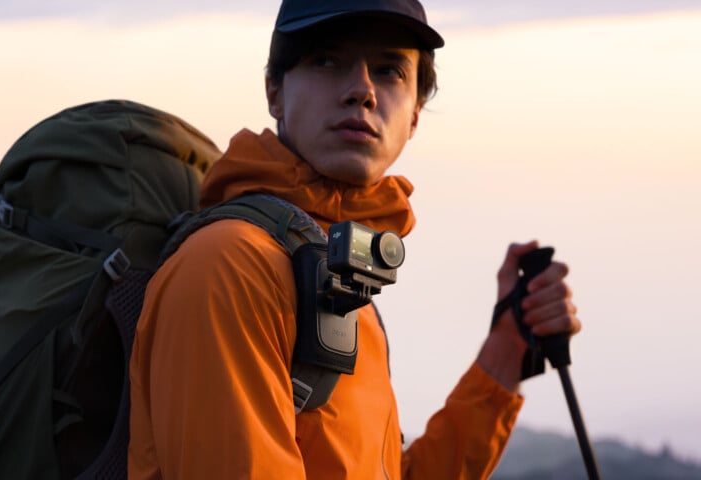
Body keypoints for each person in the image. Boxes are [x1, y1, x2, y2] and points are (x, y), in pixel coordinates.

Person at [128, 0, 581, 478]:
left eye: (388, 70)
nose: (362, 90)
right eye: (327, 60)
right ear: (274, 92)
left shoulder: (331, 269)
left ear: (414, 116)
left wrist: (506, 351)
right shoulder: (232, 264)